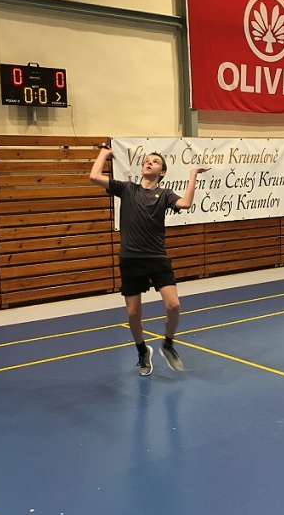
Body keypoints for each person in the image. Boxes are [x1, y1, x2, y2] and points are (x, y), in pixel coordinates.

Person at [89, 143, 210, 376]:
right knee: (133, 313)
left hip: (156, 258)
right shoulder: (127, 189)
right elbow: (94, 176)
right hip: (130, 259)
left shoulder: (164, 195)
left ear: (161, 172)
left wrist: (193, 173)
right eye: (146, 160)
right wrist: (104, 153)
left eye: (154, 161)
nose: (148, 162)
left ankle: (168, 344)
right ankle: (142, 351)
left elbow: (185, 203)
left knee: (174, 305)